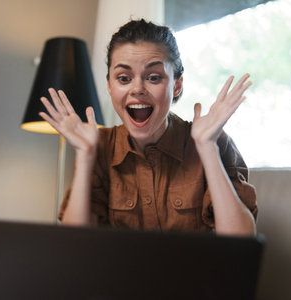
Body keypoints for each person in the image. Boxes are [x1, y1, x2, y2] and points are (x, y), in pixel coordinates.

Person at [39, 19, 257, 236]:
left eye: (153, 77)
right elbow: (75, 246)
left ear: (177, 85)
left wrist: (208, 148)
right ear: (109, 85)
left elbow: (241, 242)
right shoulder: (98, 146)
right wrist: (86, 157)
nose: (137, 89)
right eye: (124, 78)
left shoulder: (214, 141)